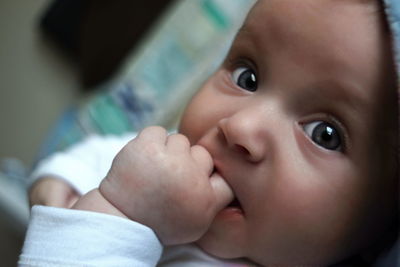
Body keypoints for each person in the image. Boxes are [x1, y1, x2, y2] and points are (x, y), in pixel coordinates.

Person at [20, 0, 400, 266]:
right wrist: (57, 181)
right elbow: (98, 157)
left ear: (384, 227)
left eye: (325, 134)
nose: (240, 127)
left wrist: (121, 212)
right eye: (246, 76)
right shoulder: (171, 165)